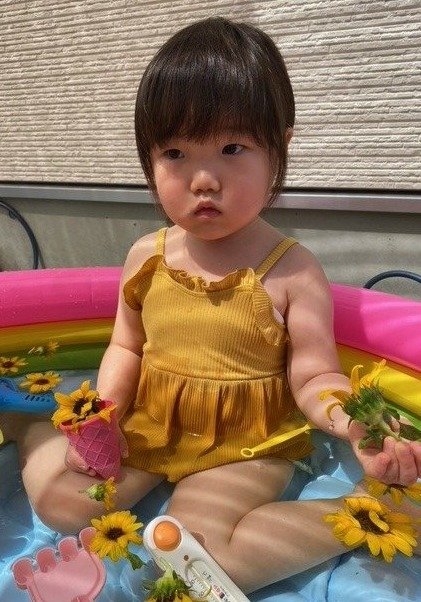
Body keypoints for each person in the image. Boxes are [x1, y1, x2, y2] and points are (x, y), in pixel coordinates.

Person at [3, 16, 420, 594]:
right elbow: (126, 345)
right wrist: (105, 415)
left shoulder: (292, 271)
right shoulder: (146, 256)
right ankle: (33, 429)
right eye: (175, 152)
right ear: (148, 160)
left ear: (280, 149)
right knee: (61, 506)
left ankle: (373, 511)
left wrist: (352, 422)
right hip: (154, 423)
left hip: (245, 442)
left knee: (194, 554)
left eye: (231, 148)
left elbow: (314, 375)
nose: (203, 179)